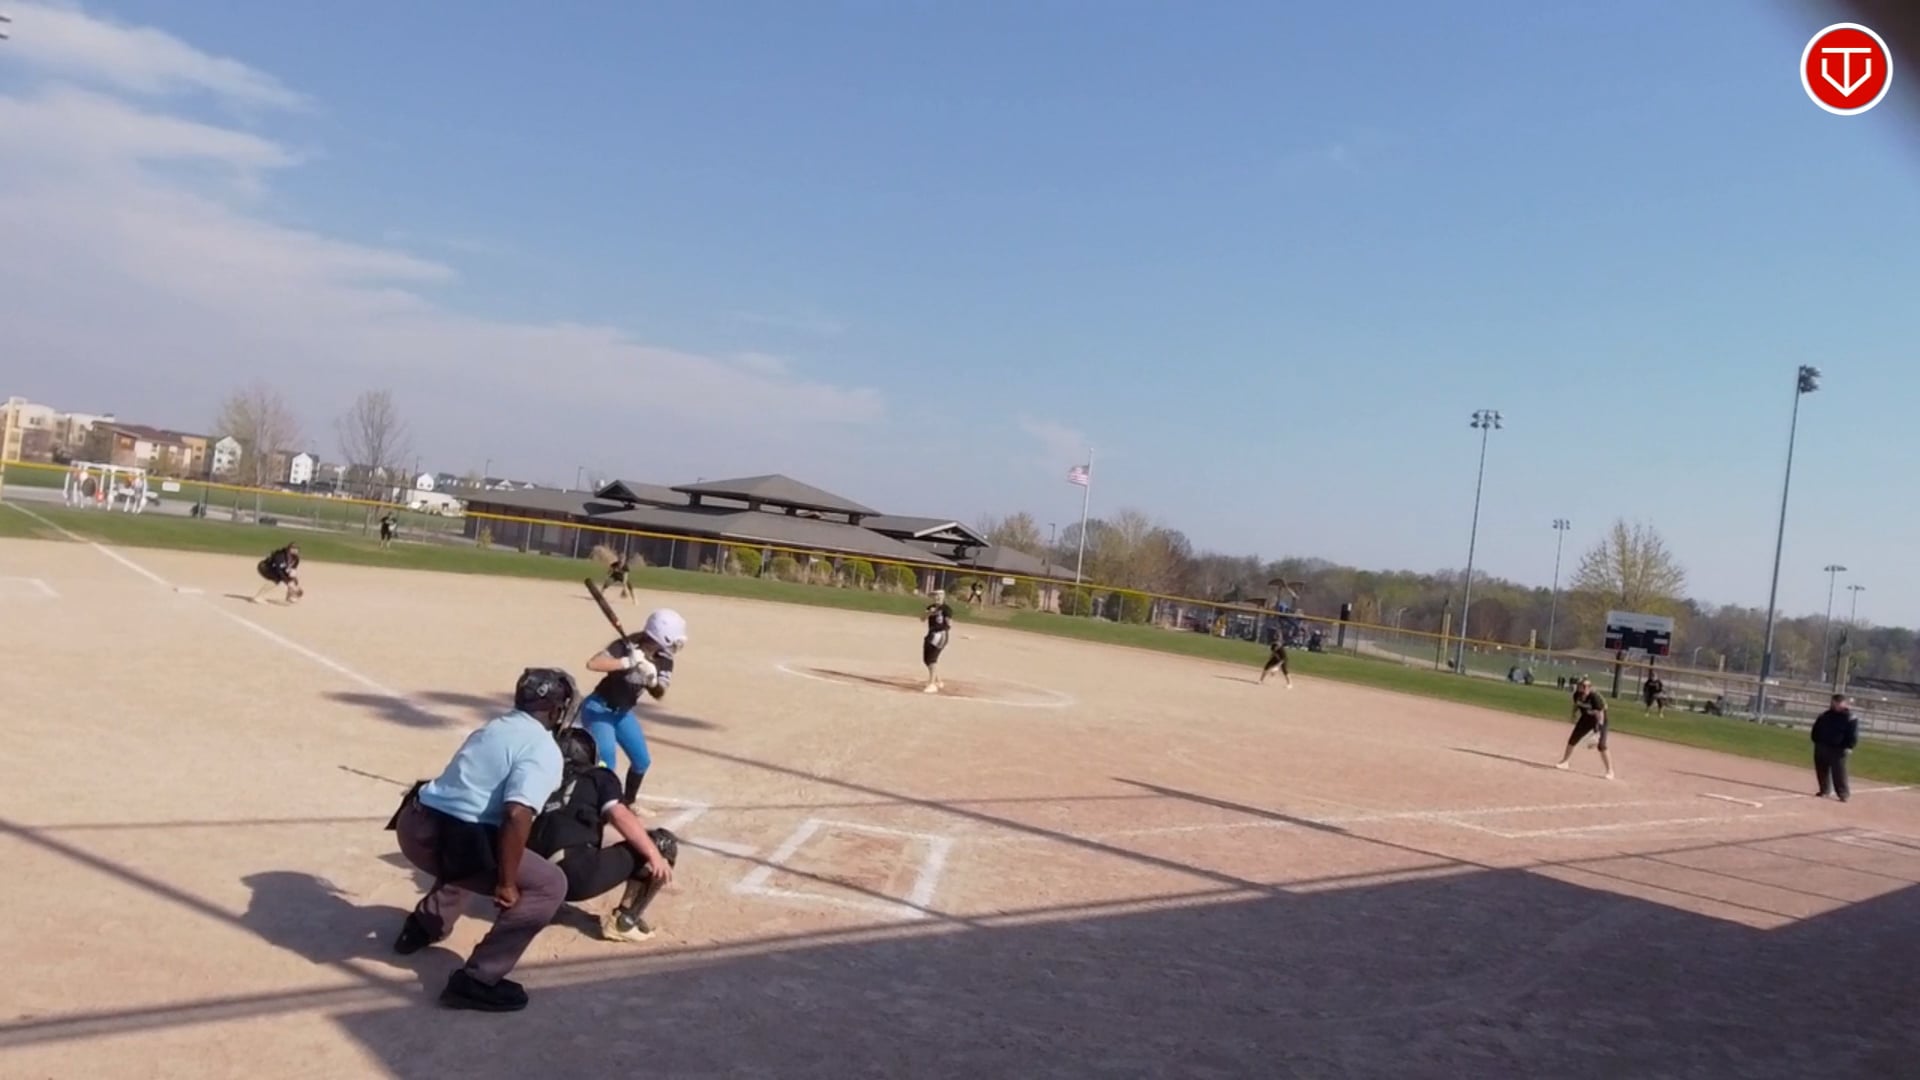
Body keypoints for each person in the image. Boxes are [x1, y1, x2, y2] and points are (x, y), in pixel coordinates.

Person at [387, 668, 577, 1012]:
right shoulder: (543, 748)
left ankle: (421, 927)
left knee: (480, 843)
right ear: (556, 710)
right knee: (549, 884)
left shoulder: (494, 727)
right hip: (450, 841)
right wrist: (506, 883)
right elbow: (517, 814)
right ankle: (477, 980)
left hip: (413, 824)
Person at [530, 728, 679, 942]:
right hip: (575, 877)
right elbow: (619, 815)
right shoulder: (598, 776)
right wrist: (653, 853)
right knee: (662, 843)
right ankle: (624, 922)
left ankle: (544, 902)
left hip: (532, 877)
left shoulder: (540, 779)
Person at [580, 608, 688, 806]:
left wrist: (651, 680)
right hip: (598, 709)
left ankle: (628, 803)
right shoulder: (627, 644)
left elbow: (659, 692)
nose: (675, 646)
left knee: (641, 761)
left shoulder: (664, 658)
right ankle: (601, 808)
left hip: (622, 713)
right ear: (661, 636)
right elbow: (593, 664)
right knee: (607, 763)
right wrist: (626, 662)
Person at [1555, 675, 1615, 779]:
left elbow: (1600, 713)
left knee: (1601, 745)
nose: (1582, 688)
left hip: (1599, 720)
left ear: (1589, 687)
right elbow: (1576, 705)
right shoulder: (1577, 695)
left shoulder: (1594, 697)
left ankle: (1610, 771)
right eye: (1581, 686)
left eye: (1585, 686)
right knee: (1573, 739)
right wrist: (1573, 714)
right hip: (1585, 719)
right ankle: (1565, 762)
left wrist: (1598, 731)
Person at [1810, 693, 1860, 802]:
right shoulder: (1825, 715)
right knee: (1821, 769)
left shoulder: (1850, 718)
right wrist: (1816, 740)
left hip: (1839, 749)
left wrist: (1849, 746)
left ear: (1844, 704)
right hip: (1822, 745)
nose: (1835, 704)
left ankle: (1843, 794)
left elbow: (1853, 734)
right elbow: (1816, 728)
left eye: (1838, 702)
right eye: (1834, 702)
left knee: (1839, 772)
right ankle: (1824, 790)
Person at [922, 590, 953, 693]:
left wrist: (943, 627)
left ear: (943, 597)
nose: (937, 597)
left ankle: (932, 684)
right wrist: (930, 613)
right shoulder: (930, 607)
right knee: (926, 659)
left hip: (940, 635)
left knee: (932, 659)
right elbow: (922, 618)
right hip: (931, 634)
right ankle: (938, 680)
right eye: (935, 596)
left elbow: (949, 624)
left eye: (939, 595)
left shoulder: (946, 609)